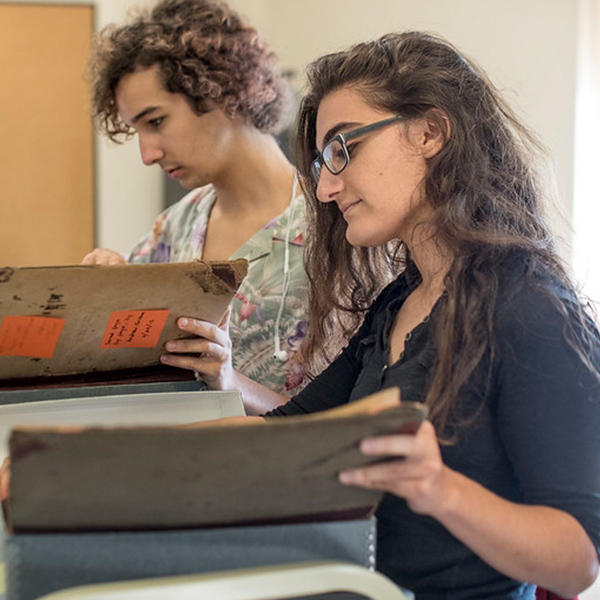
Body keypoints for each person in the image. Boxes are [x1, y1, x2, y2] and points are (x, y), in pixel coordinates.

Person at [255, 32, 600, 598]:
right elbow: (280, 433)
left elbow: (576, 560)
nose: (324, 187)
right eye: (321, 163)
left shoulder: (530, 310)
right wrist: (93, 454)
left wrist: (439, 487)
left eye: (343, 149)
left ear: (430, 132)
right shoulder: (399, 302)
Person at [81, 0, 309, 413]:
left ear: (220, 90)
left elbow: (357, 411)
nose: (147, 155)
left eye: (156, 122)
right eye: (136, 131)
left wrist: (232, 383)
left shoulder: (337, 228)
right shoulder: (175, 226)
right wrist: (108, 299)